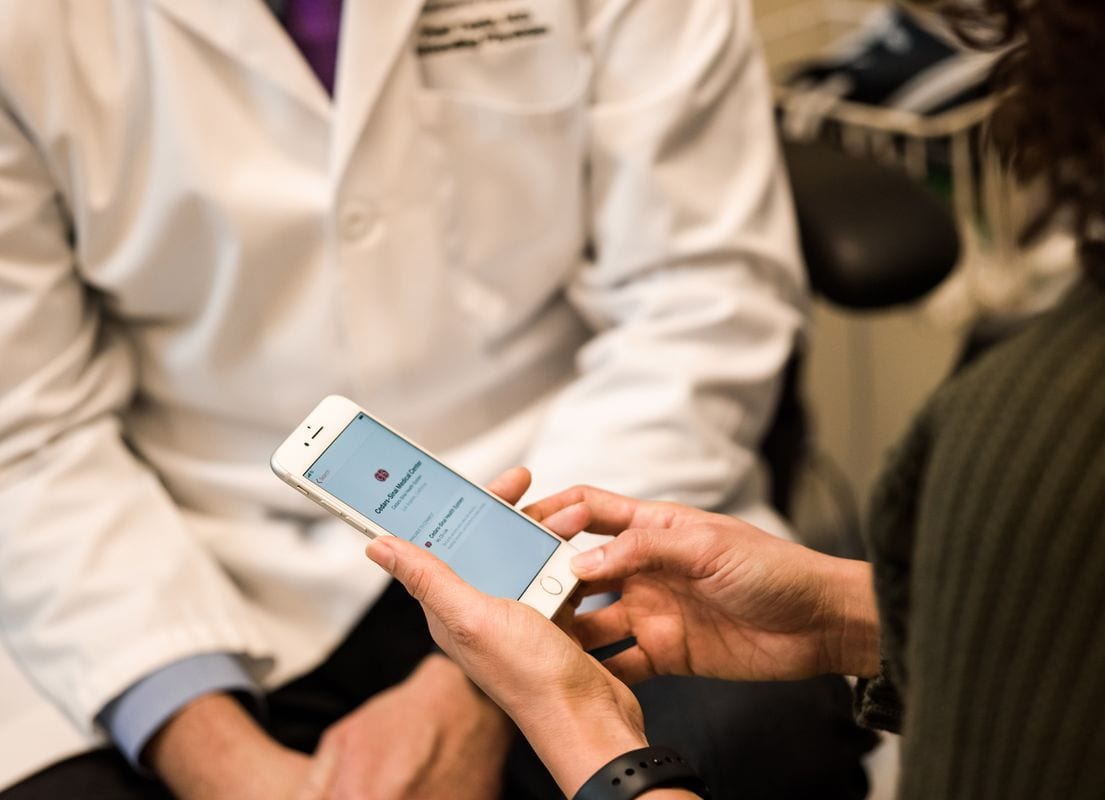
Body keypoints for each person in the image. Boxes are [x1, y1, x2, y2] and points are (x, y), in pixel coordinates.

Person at [0, 2, 876, 799]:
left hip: (559, 503)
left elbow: (701, 297)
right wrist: (219, 758)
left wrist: (485, 674)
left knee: (755, 750)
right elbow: (27, 424)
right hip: (187, 551)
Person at [361, 0, 1105, 797]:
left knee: (754, 747)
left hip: (580, 498)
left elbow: (702, 295)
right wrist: (849, 618)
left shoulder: (1055, 451)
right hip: (247, 577)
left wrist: (585, 734)